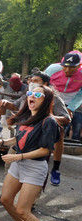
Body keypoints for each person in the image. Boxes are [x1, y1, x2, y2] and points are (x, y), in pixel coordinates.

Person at [0, 85, 61, 221]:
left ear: (46, 100)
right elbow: (19, 138)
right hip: (19, 164)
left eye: (38, 95)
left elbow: (46, 151)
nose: (32, 96)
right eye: (30, 93)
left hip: (34, 167)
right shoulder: (27, 116)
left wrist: (18, 157)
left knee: (23, 210)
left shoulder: (49, 121)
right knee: (6, 200)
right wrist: (1, 142)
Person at [45, 51, 82, 185]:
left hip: (69, 100)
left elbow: (80, 95)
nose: (67, 70)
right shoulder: (53, 69)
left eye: (72, 67)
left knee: (59, 134)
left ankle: (55, 168)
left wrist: (71, 108)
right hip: (52, 96)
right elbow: (42, 84)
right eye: (65, 66)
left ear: (79, 65)